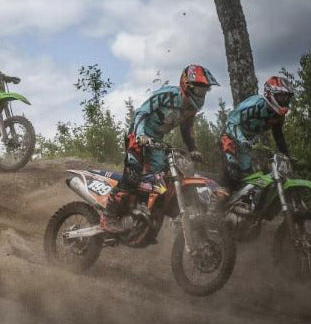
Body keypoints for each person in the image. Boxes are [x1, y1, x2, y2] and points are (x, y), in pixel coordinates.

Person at [103, 64, 219, 232]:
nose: (202, 94)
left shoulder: (191, 107)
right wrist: (141, 135)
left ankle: (142, 209)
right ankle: (108, 216)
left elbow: (186, 128)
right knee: (133, 175)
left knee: (163, 181)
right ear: (187, 85)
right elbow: (141, 113)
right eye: (200, 90)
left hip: (156, 141)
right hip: (137, 135)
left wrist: (193, 148)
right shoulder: (167, 95)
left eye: (205, 91)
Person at [219, 75, 293, 193]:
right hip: (229, 138)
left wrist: (287, 156)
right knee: (232, 172)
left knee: (248, 181)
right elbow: (231, 121)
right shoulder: (256, 104)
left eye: (287, 97)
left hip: (246, 145)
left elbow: (278, 135)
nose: (284, 100)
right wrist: (241, 140)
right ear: (271, 94)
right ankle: (215, 207)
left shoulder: (278, 115)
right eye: (281, 96)